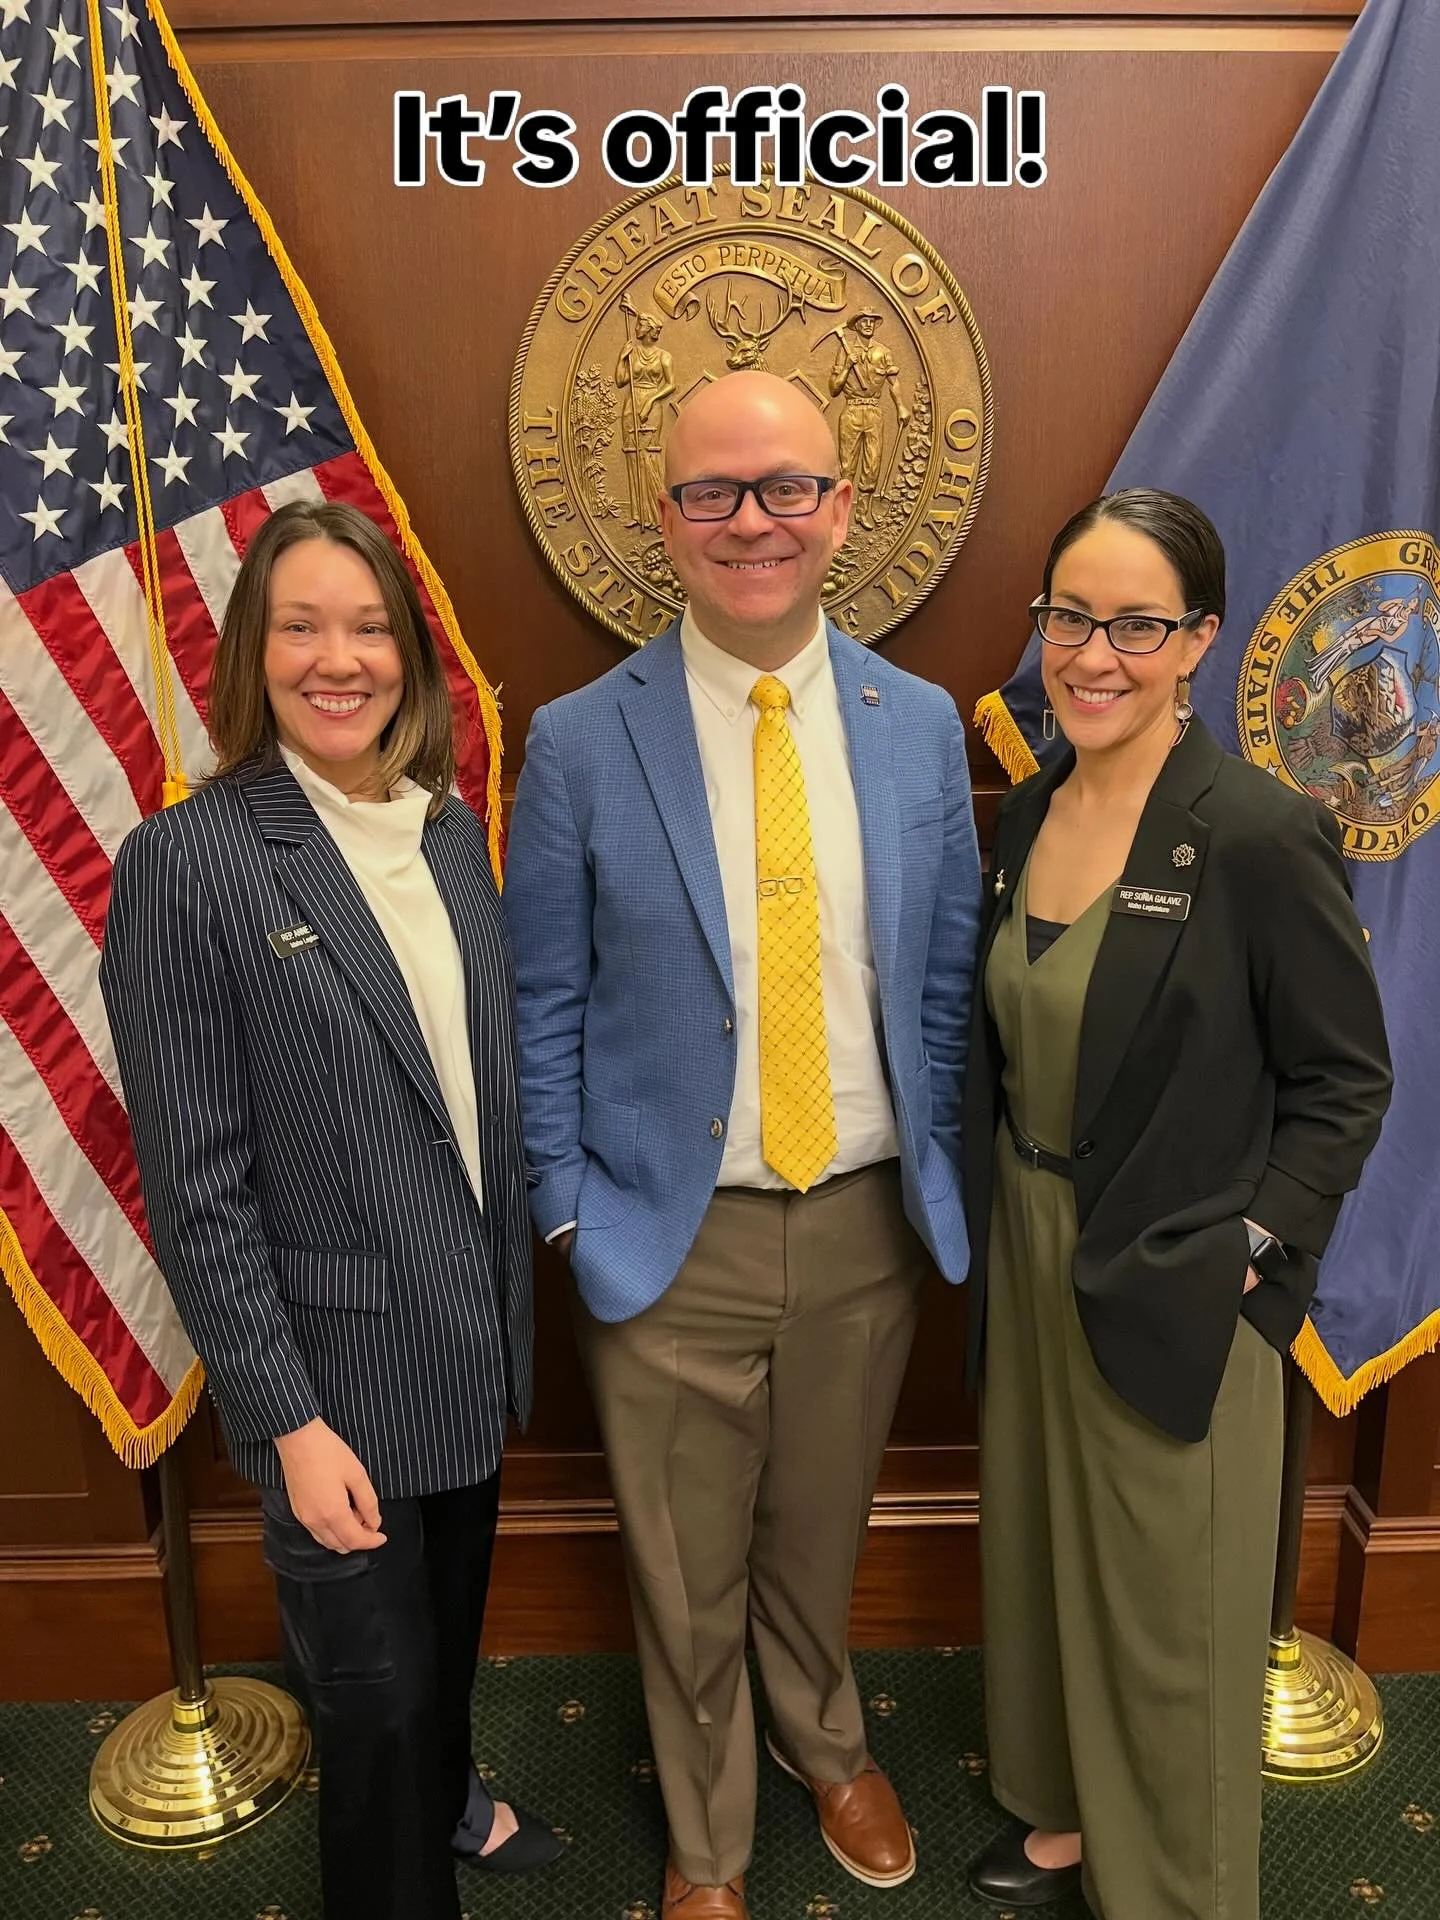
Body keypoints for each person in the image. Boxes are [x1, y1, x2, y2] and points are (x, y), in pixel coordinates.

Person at [503, 371, 983, 1920]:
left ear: (842, 508)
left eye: (787, 487)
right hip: (663, 1232)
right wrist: (570, 1212)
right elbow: (544, 1001)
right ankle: (706, 1847)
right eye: (715, 493)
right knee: (684, 1574)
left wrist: (937, 1193)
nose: (753, 521)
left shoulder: (915, 728)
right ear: (668, 520)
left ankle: (824, 1738)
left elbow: (948, 983)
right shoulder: (580, 740)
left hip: (864, 1227)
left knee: (819, 1529)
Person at [99, 501, 562, 1920]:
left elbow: (472, 1102)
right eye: (301, 625)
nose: (337, 658)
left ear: (410, 658)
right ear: (254, 652)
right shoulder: (190, 865)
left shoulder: (446, 834)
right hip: (333, 1392)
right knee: (370, 1711)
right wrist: (289, 1425)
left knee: (445, 1653)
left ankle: (452, 1801)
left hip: (471, 1348)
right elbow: (198, 1190)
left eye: (368, 627)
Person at [962, 488, 1392, 1920]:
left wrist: (1250, 1253)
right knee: (1045, 1548)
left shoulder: (1259, 833)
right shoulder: (1031, 805)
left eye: (1137, 624)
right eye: (1069, 617)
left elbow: (1346, 1082)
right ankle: (1072, 1818)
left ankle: (1177, 1890)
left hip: (1176, 1268)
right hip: (1031, 1240)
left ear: (1200, 639)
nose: (1094, 653)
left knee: (1168, 1606)